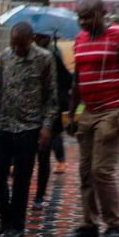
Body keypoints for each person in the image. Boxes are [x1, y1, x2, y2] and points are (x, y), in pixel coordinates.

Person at [60, 0, 119, 237]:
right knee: (85, 172)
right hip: (89, 111)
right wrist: (72, 114)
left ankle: (116, 226)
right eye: (80, 17)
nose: (84, 21)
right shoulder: (80, 40)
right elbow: (77, 81)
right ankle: (89, 225)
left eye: (88, 16)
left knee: (101, 171)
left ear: (103, 13)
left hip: (113, 110)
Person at [0, 22, 57, 237]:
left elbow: (52, 97)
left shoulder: (44, 59)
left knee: (22, 179)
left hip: (29, 127)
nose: (16, 48)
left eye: (20, 44)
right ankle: (4, 220)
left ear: (31, 40)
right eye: (13, 43)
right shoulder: (5, 56)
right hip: (4, 125)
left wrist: (47, 127)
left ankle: (17, 225)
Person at [33, 32, 73, 206]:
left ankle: (40, 195)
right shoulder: (32, 56)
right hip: (31, 114)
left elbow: (66, 81)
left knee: (45, 152)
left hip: (51, 112)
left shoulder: (53, 56)